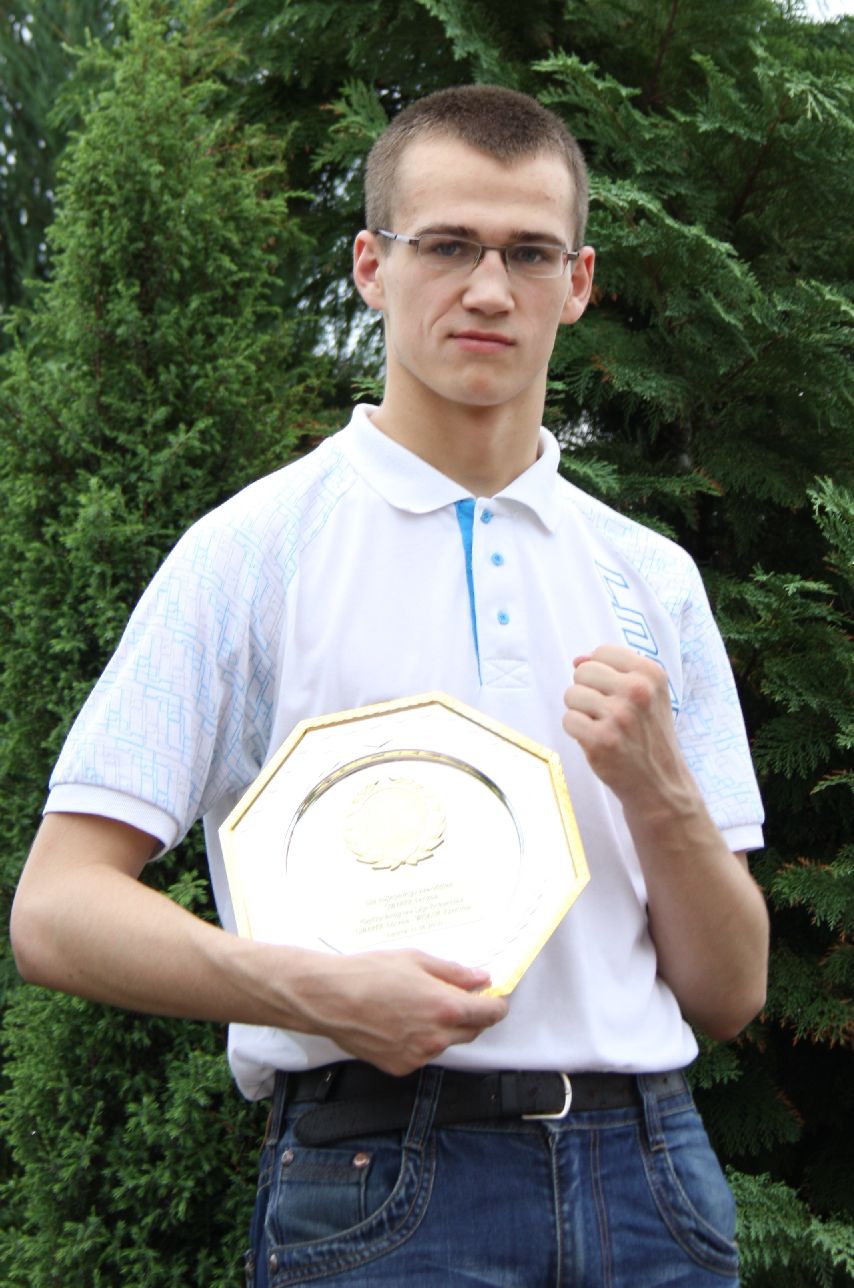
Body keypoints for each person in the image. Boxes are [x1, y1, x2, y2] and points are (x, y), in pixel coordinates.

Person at [11, 84, 769, 1286]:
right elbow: (55, 910)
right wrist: (313, 989)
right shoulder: (248, 551)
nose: (488, 288)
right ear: (372, 265)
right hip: (378, 1183)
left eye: (529, 253)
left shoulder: (649, 577)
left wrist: (660, 788)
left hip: (652, 1181)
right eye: (447, 245)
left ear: (576, 283)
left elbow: (728, 990)